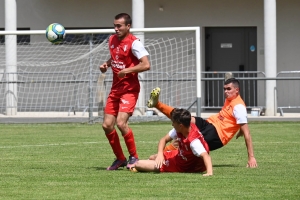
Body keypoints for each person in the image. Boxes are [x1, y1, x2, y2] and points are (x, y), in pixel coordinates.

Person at [147, 78, 258, 168]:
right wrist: (239, 130)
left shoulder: (239, 106)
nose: (226, 91)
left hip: (217, 135)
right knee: (184, 117)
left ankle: (157, 157)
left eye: (229, 89)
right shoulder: (230, 99)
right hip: (209, 124)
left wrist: (251, 157)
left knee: (184, 144)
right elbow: (236, 120)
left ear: (237, 90)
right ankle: (157, 104)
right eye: (224, 89)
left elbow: (247, 133)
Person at [99, 13, 150, 170]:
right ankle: (120, 158)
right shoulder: (112, 40)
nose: (116, 28)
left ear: (128, 26)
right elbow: (116, 56)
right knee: (107, 125)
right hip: (116, 88)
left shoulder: (135, 43)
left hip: (130, 89)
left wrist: (127, 71)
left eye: (119, 26)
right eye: (114, 25)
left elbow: (146, 65)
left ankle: (134, 156)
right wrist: (107, 64)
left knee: (121, 123)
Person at [130, 108, 213, 176]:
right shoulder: (185, 127)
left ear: (180, 125)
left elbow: (205, 155)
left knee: (138, 164)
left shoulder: (193, 141)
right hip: (180, 155)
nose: (172, 125)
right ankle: (152, 162)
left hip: (183, 166)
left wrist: (209, 173)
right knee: (153, 157)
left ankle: (144, 166)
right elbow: (164, 139)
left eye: (173, 122)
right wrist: (160, 154)